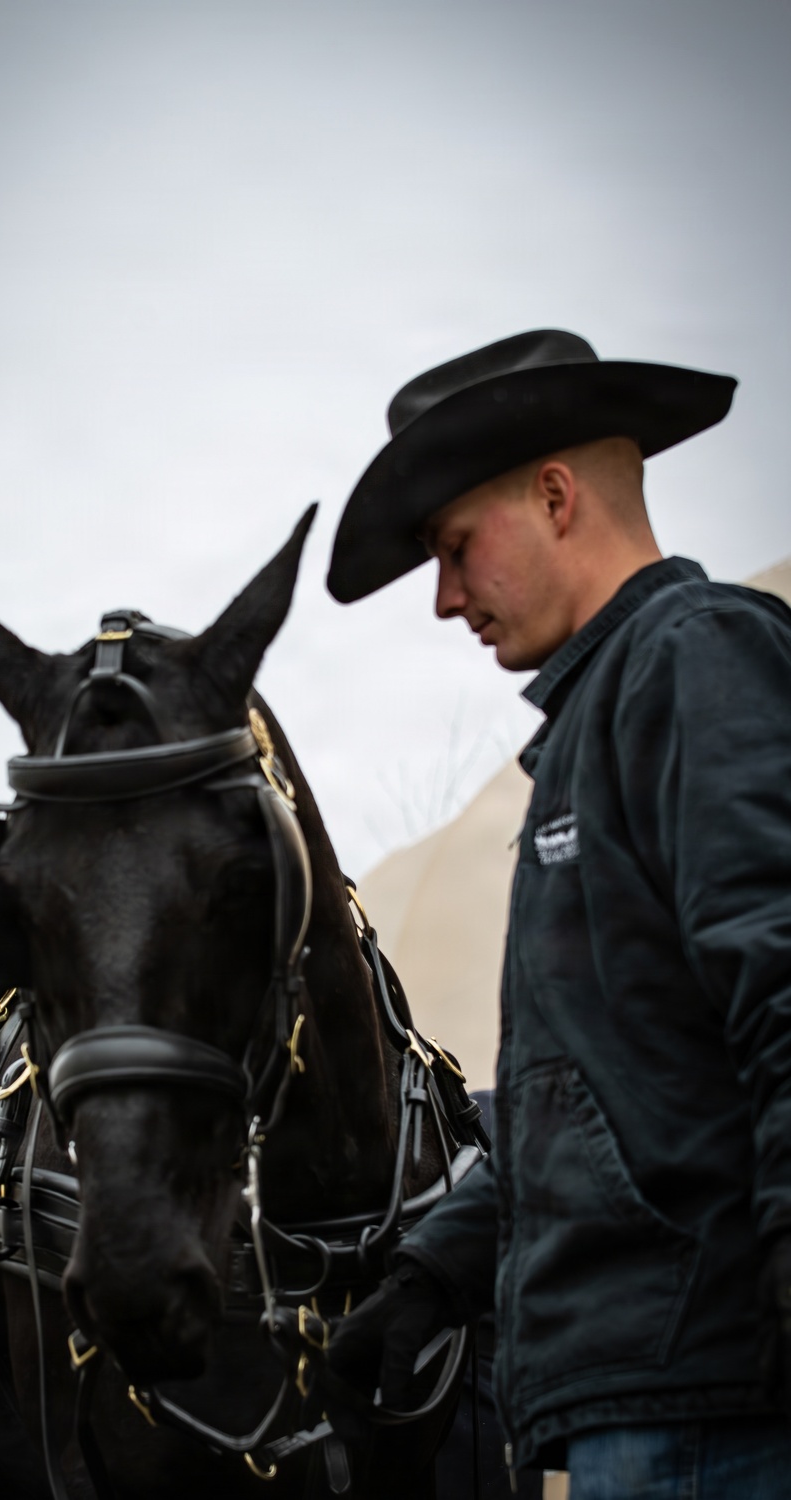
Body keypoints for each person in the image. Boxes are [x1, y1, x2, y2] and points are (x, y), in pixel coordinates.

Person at [323, 330, 791, 1499]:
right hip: (641, 1401)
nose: (440, 599)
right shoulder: (591, 728)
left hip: (714, 1402)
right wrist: (434, 1272)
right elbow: (601, 1098)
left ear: (552, 495)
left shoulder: (695, 660)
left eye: (451, 549)